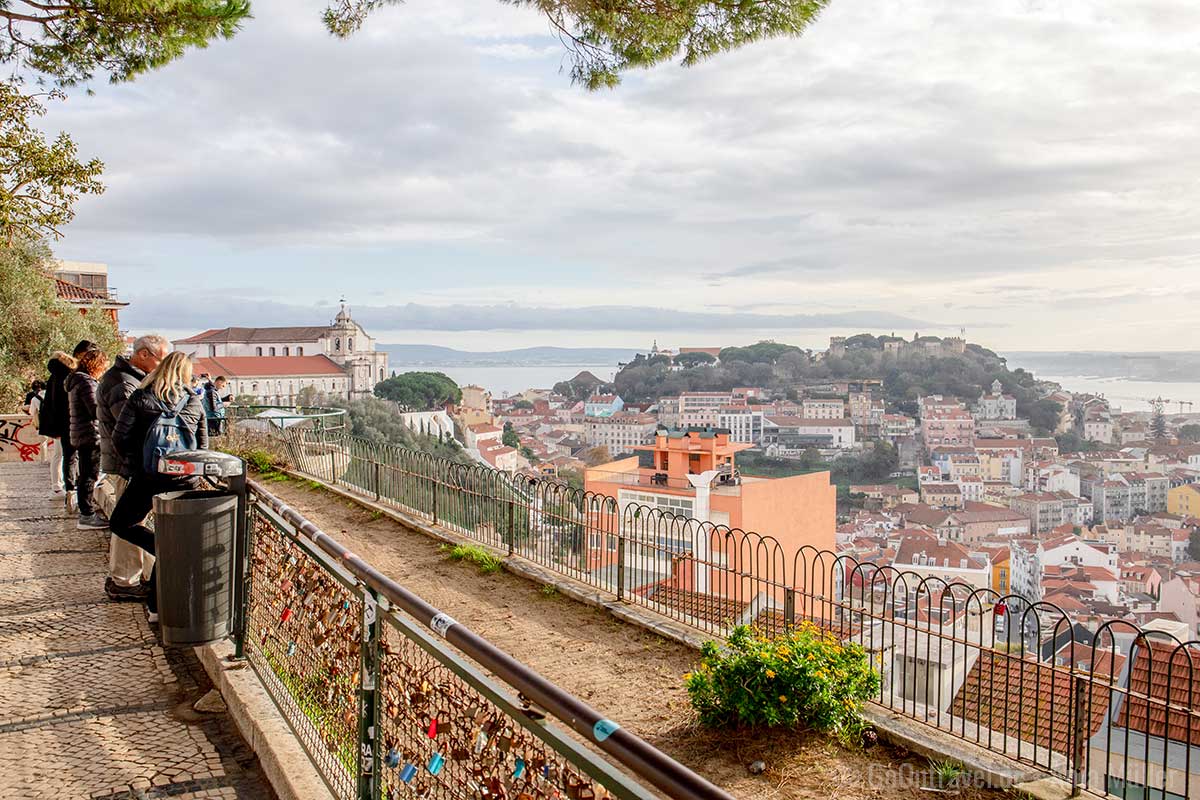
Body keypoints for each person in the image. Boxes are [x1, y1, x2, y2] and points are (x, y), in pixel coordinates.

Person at [110, 352, 208, 620]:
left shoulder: (141, 397)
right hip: (185, 479)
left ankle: (161, 554)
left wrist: (135, 463)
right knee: (173, 540)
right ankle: (155, 606)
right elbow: (203, 447)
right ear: (185, 374)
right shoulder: (194, 401)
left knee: (122, 523)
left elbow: (119, 437)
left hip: (149, 476)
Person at [97, 334, 168, 601]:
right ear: (143, 355)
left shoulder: (124, 379)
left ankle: (129, 577)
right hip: (127, 465)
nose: (162, 365)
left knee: (129, 521)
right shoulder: (124, 384)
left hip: (126, 463)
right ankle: (124, 581)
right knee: (127, 524)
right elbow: (129, 429)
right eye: (160, 358)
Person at [39, 341, 93, 498]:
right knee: (71, 456)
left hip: (59, 423)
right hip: (70, 421)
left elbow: (51, 402)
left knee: (62, 455)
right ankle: (67, 487)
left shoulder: (54, 375)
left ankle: (63, 487)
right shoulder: (68, 375)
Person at [67, 347, 110, 529]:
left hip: (80, 432)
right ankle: (87, 515)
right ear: (97, 365)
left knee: (86, 472)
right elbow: (94, 410)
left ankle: (86, 511)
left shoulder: (76, 381)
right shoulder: (87, 383)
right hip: (90, 434)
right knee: (89, 474)